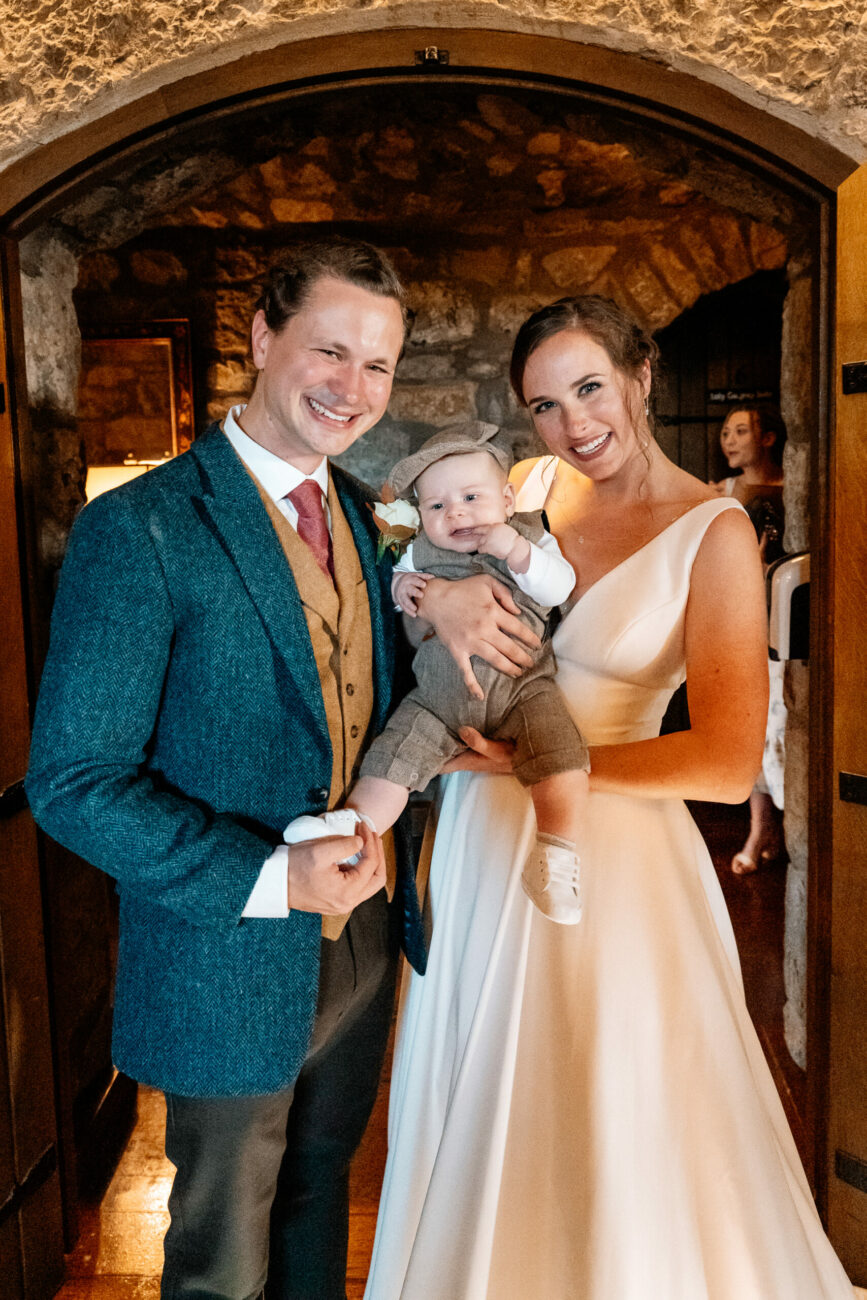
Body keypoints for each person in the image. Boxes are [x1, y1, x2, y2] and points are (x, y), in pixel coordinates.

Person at [364, 296, 854, 1298]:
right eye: (543, 405)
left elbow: (722, 764)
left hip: (614, 859)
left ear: (640, 372)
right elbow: (421, 557)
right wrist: (440, 594)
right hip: (477, 841)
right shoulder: (532, 488)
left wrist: (525, 767)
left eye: (590, 387)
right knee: (483, 1093)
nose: (574, 424)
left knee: (609, 1102)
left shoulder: (714, 531)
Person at [26, 238, 444, 1300]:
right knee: (219, 1256)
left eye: (379, 365)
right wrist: (272, 879)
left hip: (362, 951)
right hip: (222, 954)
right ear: (264, 339)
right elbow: (73, 781)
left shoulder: (373, 516)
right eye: (330, 351)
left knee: (317, 1203)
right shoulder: (141, 528)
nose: (355, 388)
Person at [342, 419, 589, 925]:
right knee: (390, 763)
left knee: (563, 759)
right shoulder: (418, 550)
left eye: (472, 498)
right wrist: (406, 590)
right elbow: (394, 586)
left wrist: (514, 551)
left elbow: (559, 588)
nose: (456, 512)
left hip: (525, 691)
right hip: (437, 701)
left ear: (506, 498)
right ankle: (352, 836)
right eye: (436, 506)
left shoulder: (530, 539)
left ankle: (556, 852)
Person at [714, 403, 788, 874]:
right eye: (725, 432)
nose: (729, 440)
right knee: (757, 726)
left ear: (768, 438)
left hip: (784, 620)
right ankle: (761, 829)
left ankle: (788, 825)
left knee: (783, 727)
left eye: (740, 430)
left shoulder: (797, 484)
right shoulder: (719, 492)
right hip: (742, 623)